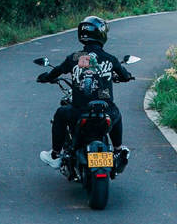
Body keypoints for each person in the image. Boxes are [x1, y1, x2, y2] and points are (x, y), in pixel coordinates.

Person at [36, 15, 134, 170]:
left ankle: (55, 155)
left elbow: (57, 71)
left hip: (79, 112)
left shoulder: (74, 57)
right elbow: (125, 75)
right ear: (101, 34)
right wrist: (127, 76)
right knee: (116, 113)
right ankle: (118, 150)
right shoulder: (110, 59)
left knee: (60, 114)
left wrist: (46, 77)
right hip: (105, 111)